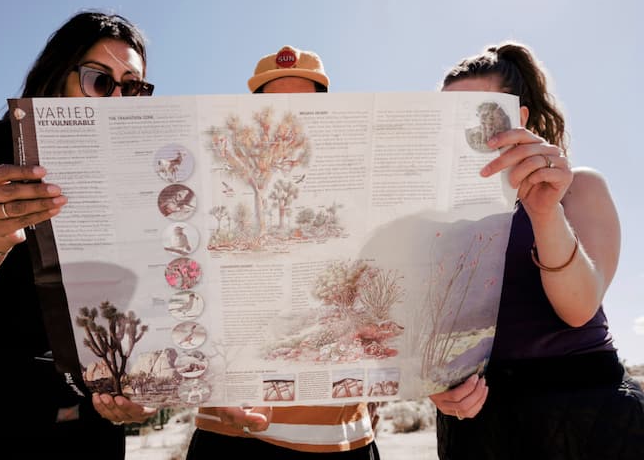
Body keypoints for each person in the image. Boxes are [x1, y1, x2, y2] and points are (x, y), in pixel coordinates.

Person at [0, 10, 157, 459]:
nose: (117, 99)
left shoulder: (139, 177)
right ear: (56, 75)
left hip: (87, 426)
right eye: (101, 81)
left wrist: (144, 389)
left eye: (133, 87)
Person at [428, 41, 644, 459]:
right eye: (447, 119)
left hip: (585, 409)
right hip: (479, 421)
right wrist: (436, 385)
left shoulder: (579, 188)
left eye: (480, 115)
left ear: (519, 118)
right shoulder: (437, 214)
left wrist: (543, 212)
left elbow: (578, 309)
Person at [186, 45, 380, 459]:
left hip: (341, 439)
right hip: (232, 435)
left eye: (304, 106)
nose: (289, 118)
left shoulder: (357, 193)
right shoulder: (213, 194)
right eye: (274, 106)